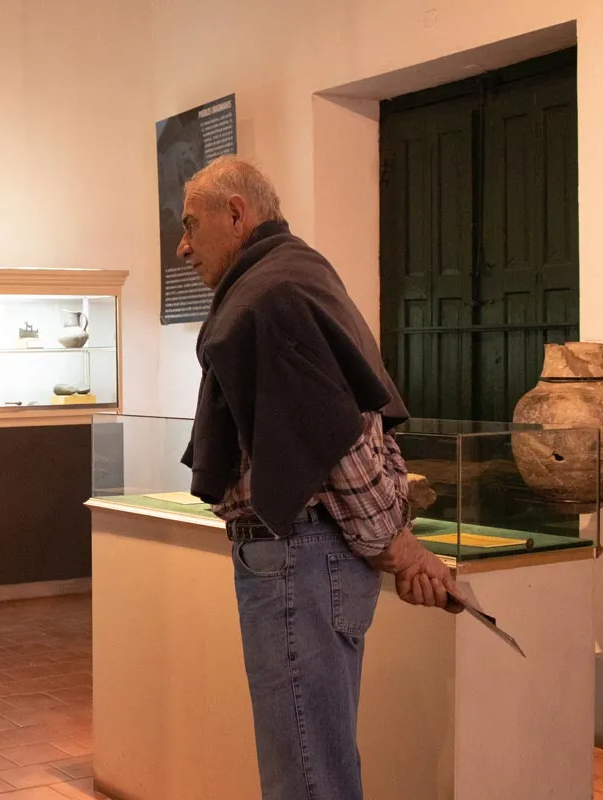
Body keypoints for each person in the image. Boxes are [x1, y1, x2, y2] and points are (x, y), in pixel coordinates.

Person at [176, 156, 462, 800]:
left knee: (306, 777)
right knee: (315, 764)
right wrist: (399, 542)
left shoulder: (271, 293)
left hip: (302, 562)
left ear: (236, 213)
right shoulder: (298, 274)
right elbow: (365, 424)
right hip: (308, 562)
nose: (183, 245)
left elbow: (344, 445)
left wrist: (399, 545)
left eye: (192, 225)